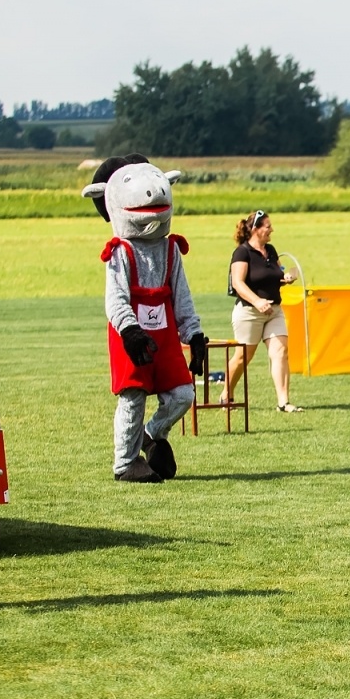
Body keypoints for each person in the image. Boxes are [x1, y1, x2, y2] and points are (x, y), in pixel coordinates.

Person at [82, 155, 206, 483]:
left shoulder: (170, 250)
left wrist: (193, 334)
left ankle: (153, 433)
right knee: (132, 397)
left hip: (164, 332)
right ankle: (125, 463)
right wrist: (130, 330)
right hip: (131, 332)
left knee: (183, 394)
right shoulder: (120, 252)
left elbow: (182, 295)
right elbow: (116, 298)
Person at [227, 211, 301, 412]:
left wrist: (288, 276)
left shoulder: (271, 250)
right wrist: (257, 301)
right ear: (255, 229)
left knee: (281, 352)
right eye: (267, 226)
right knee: (243, 357)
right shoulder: (242, 253)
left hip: (274, 311)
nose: (271, 230)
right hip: (249, 312)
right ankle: (227, 394)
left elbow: (276, 274)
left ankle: (283, 402)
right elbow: (238, 283)